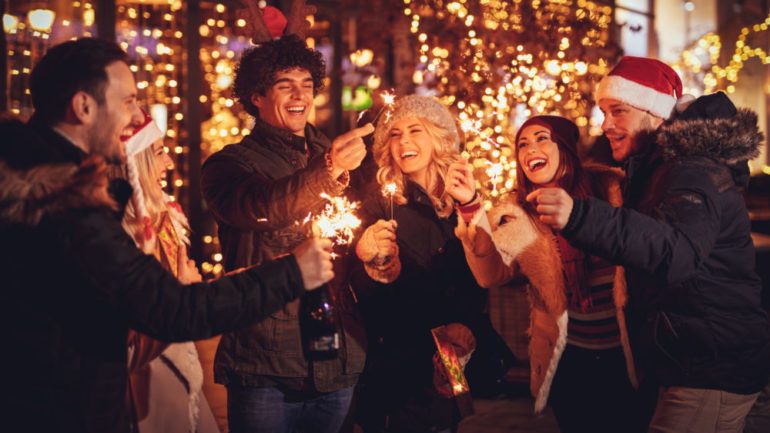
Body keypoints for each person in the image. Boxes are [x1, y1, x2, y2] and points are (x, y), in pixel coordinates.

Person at [0, 37, 334, 433]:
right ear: (84, 107)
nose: (136, 114)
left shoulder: (49, 183)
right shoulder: (59, 203)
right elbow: (169, 309)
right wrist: (294, 272)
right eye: (127, 101)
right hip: (58, 410)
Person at [528, 56, 770, 433]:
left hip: (708, 368)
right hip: (692, 359)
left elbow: (677, 253)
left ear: (655, 112)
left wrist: (581, 217)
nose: (605, 125)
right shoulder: (661, 165)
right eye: (603, 112)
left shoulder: (691, 168)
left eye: (618, 111)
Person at [200, 34, 371, 433]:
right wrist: (327, 171)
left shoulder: (326, 150)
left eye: (307, 84)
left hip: (337, 355)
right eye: (285, 85)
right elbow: (262, 207)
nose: (300, 95)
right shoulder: (228, 165)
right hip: (267, 362)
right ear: (256, 96)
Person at [452, 115, 641, 433]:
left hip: (627, 356)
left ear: (565, 147)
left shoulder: (613, 191)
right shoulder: (521, 215)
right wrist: (471, 205)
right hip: (571, 361)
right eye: (522, 144)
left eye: (541, 138)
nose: (530, 149)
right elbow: (491, 275)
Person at [350, 95, 511, 433]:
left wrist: (464, 328)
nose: (403, 141)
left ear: (438, 136)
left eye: (414, 130)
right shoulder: (379, 202)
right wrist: (374, 262)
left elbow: (482, 274)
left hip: (452, 356)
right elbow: (365, 288)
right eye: (394, 134)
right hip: (399, 369)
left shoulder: (461, 198)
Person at [121, 113, 220, 433]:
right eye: (159, 152)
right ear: (140, 162)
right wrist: (181, 287)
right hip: (151, 361)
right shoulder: (129, 230)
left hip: (178, 342)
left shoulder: (164, 215)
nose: (167, 162)